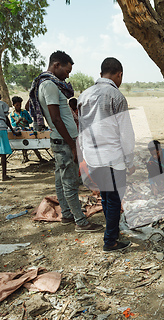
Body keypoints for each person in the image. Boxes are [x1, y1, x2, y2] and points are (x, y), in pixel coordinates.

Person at [29, 50, 102, 232]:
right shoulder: (50, 85)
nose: (67, 75)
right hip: (64, 141)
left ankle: (68, 214)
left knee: (61, 181)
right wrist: (72, 145)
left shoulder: (46, 84)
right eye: (67, 71)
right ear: (56, 65)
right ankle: (81, 221)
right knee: (70, 182)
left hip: (61, 140)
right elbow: (56, 118)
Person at [78, 57, 135, 252]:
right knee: (114, 199)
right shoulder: (116, 96)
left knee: (105, 195)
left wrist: (85, 156)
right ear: (119, 74)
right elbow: (126, 133)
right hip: (113, 157)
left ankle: (112, 231)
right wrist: (130, 160)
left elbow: (81, 128)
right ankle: (110, 240)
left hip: (93, 157)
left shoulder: (84, 95)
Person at [10, 96, 47, 163]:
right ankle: (25, 157)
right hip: (19, 131)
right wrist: (17, 121)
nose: (19, 106)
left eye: (20, 105)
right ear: (13, 105)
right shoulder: (12, 115)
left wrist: (26, 121)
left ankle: (40, 157)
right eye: (17, 105)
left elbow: (30, 121)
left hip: (27, 130)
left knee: (32, 144)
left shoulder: (24, 112)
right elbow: (13, 124)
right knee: (23, 144)